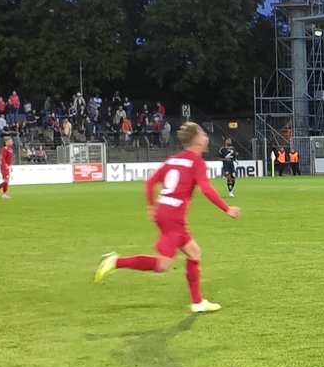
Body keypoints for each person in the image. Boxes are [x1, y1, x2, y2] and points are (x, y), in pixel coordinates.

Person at [93, 122, 238, 312]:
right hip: (173, 217)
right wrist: (227, 209)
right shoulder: (196, 162)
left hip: (166, 212)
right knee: (163, 265)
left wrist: (151, 206)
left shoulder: (174, 160)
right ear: (196, 140)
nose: (206, 138)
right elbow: (206, 189)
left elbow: (151, 182)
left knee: (194, 252)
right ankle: (115, 261)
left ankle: (197, 302)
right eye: (203, 135)